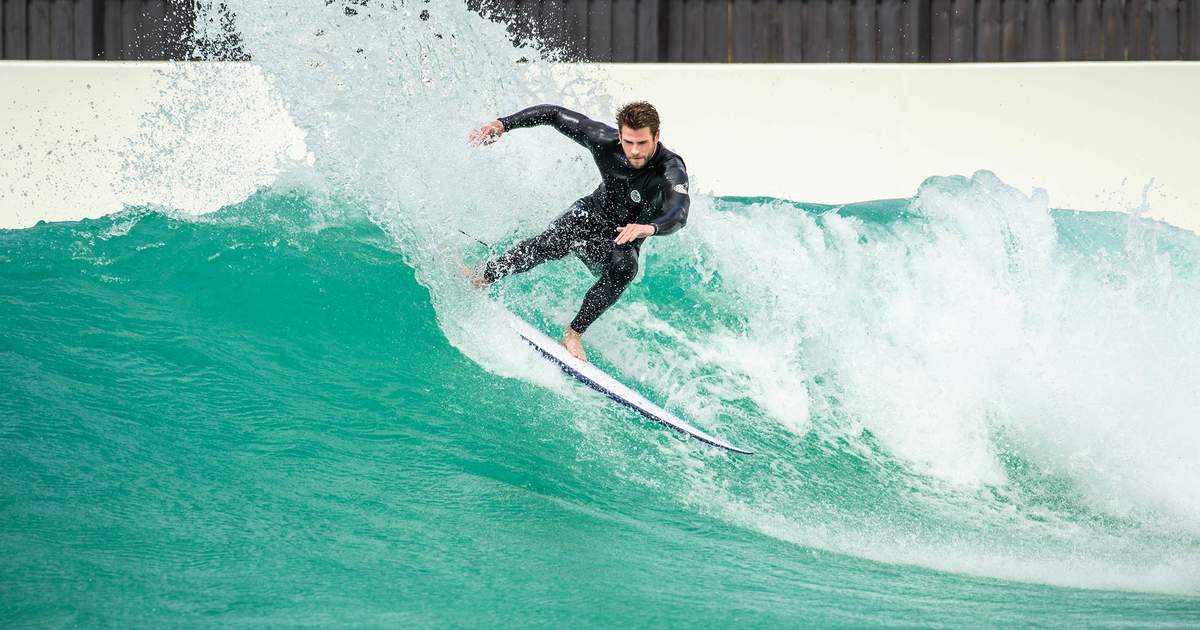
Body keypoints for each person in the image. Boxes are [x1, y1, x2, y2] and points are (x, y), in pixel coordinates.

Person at [468, 101, 690, 363]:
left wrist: (649, 228)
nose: (634, 151)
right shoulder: (604, 141)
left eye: (642, 143)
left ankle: (573, 334)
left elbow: (679, 213)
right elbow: (554, 114)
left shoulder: (670, 169)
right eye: (629, 142)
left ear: (656, 136)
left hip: (623, 236)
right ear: (620, 136)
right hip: (590, 214)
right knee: (549, 243)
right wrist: (503, 124)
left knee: (624, 269)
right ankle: (482, 277)